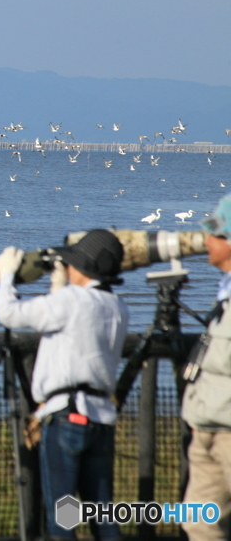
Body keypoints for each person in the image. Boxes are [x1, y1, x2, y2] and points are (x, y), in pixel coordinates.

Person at [0, 229, 129, 541]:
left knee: (63, 519)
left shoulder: (71, 301)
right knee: (103, 516)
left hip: (67, 417)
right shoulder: (118, 307)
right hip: (101, 419)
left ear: (81, 268)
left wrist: (6, 276)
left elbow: (10, 314)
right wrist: (59, 285)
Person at [182, 194, 231, 541]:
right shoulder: (224, 292)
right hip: (207, 427)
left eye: (216, 232)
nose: (206, 240)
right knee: (199, 523)